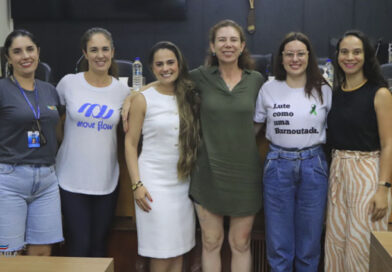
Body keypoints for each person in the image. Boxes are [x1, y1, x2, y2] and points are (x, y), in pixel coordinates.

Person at [188, 19, 264, 272]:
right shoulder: (199, 77)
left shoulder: (256, 80)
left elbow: (259, 122)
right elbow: (166, 84)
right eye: (221, 40)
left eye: (233, 40)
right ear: (212, 46)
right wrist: (134, 96)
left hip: (244, 173)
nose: (227, 45)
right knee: (211, 241)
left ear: (242, 46)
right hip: (208, 170)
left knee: (240, 243)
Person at [253, 32, 331, 272]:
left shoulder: (324, 89)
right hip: (278, 165)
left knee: (309, 244)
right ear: (281, 58)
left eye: (300, 54)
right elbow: (255, 126)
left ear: (309, 56)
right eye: (289, 54)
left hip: (314, 165)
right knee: (279, 244)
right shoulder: (268, 88)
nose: (295, 59)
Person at [125, 41, 199, 272]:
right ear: (151, 67)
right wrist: (136, 184)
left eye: (170, 62)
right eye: (159, 64)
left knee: (178, 251)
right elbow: (130, 144)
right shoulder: (142, 98)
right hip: (153, 183)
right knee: (160, 253)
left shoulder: (189, 94)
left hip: (182, 183)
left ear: (179, 64)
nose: (166, 68)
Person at [55, 27, 129, 257]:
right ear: (85, 54)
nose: (100, 55)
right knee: (79, 244)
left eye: (105, 49)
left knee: (98, 247)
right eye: (94, 50)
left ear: (113, 52)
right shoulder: (69, 83)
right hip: (70, 180)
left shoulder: (123, 90)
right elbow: (54, 122)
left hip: (106, 182)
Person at [324, 30, 392, 272]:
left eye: (356, 52)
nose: (349, 57)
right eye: (344, 52)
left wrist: (383, 189)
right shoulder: (335, 92)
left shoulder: (379, 93)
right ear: (337, 55)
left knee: (361, 245)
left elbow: (388, 144)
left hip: (367, 173)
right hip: (338, 173)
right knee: (336, 243)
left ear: (366, 56)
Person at [0, 29, 63, 256]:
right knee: (8, 254)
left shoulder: (50, 91)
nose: (25, 56)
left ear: (38, 52)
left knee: (42, 252)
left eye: (30, 49)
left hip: (46, 180)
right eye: (17, 51)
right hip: (9, 179)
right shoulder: (2, 89)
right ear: (8, 58)